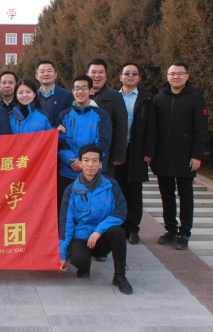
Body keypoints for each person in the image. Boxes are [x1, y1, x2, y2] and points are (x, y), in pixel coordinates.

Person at [59, 144, 132, 295]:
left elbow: (121, 211)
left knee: (118, 232)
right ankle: (84, 266)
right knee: (78, 259)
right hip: (82, 236)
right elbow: (66, 223)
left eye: (95, 161)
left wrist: (99, 230)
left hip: (103, 236)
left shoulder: (111, 185)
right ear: (80, 163)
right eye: (86, 160)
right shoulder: (71, 190)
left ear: (100, 164)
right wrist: (62, 255)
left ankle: (120, 276)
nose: (90, 164)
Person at [153, 61, 208, 251]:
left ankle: (184, 232)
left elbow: (201, 130)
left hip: (186, 157)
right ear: (167, 76)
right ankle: (170, 229)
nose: (176, 77)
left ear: (187, 76)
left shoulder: (196, 99)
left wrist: (197, 155)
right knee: (166, 195)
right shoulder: (159, 99)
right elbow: (153, 129)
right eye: (172, 73)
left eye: (180, 73)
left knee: (186, 195)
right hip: (163, 157)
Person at [55, 75, 112, 217]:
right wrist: (72, 161)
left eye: (84, 88)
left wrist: (84, 163)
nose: (80, 91)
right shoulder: (64, 115)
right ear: (72, 91)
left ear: (91, 91)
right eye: (76, 88)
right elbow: (59, 143)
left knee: (92, 211)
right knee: (67, 210)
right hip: (67, 171)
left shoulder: (101, 115)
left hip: (92, 172)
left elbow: (103, 143)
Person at [115, 63, 156, 245]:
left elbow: (152, 128)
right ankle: (119, 226)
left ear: (139, 78)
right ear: (120, 77)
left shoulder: (146, 100)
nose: (130, 76)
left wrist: (148, 152)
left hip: (137, 151)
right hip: (117, 150)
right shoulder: (113, 98)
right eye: (127, 73)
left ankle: (133, 228)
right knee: (118, 189)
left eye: (134, 73)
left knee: (135, 192)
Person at [87, 59, 128, 177]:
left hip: (106, 153)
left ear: (106, 75)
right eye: (93, 72)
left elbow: (121, 127)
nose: (97, 75)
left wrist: (118, 155)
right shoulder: (79, 95)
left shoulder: (116, 97)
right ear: (87, 75)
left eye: (101, 72)